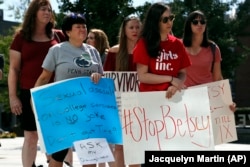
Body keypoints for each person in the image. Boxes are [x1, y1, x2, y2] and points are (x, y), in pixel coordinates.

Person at [34, 13, 103, 167]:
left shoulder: (93, 51)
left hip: (89, 111)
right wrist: (35, 102)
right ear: (68, 32)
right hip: (63, 110)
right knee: (59, 155)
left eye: (84, 26)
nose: (83, 30)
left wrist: (98, 76)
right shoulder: (57, 50)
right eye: (78, 27)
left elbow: (102, 81)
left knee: (90, 155)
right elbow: (44, 77)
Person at [8, 0, 65, 167]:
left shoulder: (59, 36)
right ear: (33, 12)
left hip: (55, 92)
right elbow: (13, 69)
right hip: (29, 92)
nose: (47, 12)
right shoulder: (21, 37)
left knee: (57, 135)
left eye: (49, 9)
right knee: (31, 136)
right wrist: (12, 97)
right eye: (43, 9)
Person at [103, 15, 141, 167]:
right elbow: (107, 79)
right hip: (118, 105)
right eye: (131, 27)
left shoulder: (147, 51)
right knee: (120, 146)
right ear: (124, 30)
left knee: (136, 145)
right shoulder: (114, 52)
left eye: (138, 27)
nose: (135, 30)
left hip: (140, 105)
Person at [133, 2, 191, 98]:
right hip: (150, 99)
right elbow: (143, 76)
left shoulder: (178, 44)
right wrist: (171, 79)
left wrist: (175, 85)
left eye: (171, 18)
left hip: (174, 97)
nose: (170, 22)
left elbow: (183, 73)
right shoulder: (143, 43)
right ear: (155, 22)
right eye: (165, 20)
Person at [182, 10, 236, 111]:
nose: (199, 24)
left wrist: (228, 101)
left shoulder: (213, 48)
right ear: (189, 25)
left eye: (202, 22)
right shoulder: (179, 47)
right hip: (186, 99)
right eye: (195, 22)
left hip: (209, 99)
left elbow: (218, 78)